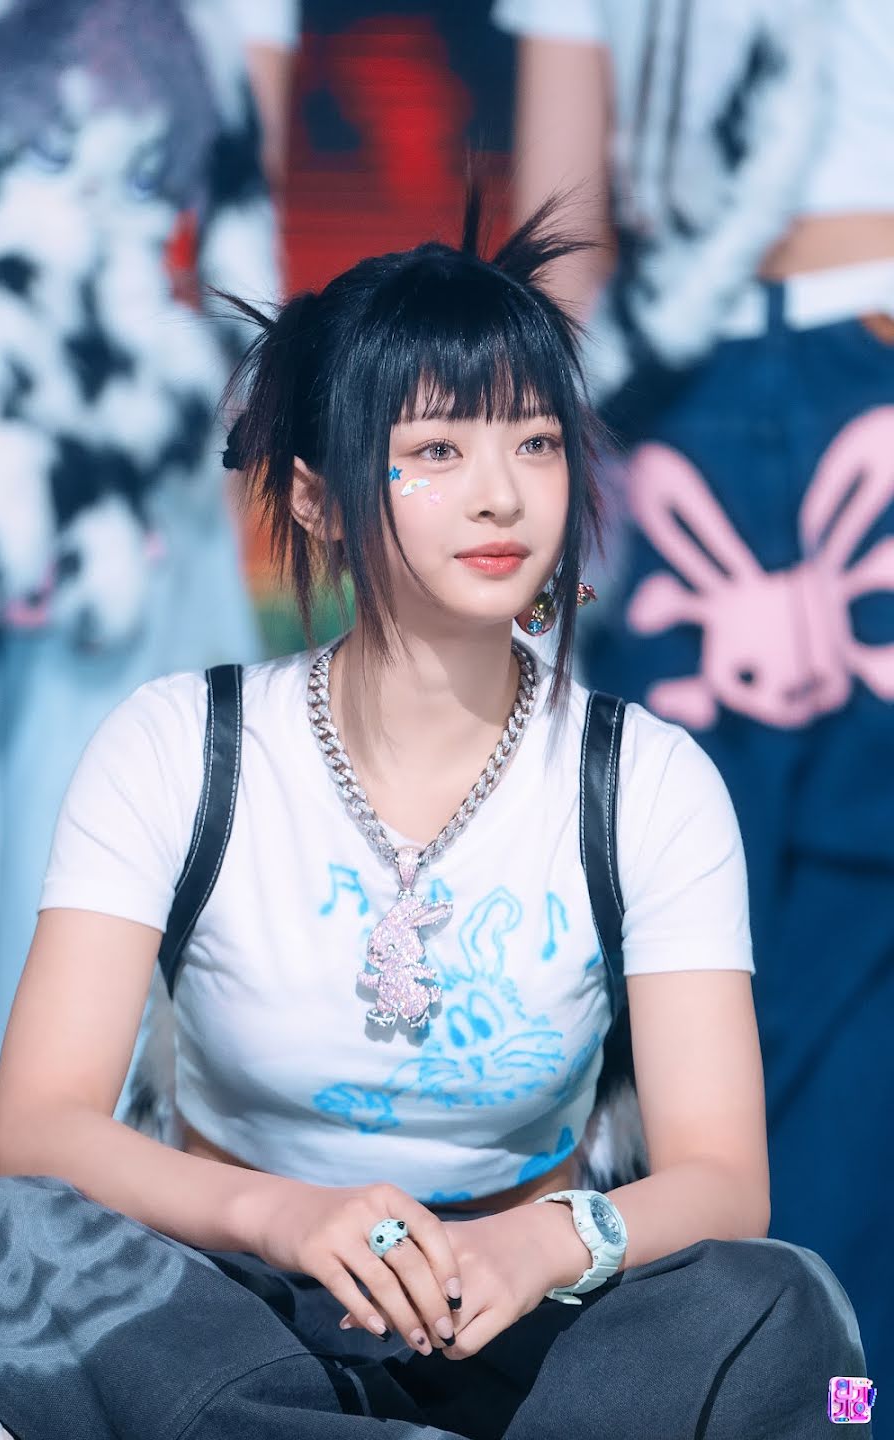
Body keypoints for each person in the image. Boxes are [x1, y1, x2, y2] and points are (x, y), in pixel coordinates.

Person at [0, 188, 870, 1440]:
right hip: (229, 1302)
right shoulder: (178, 745)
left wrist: (544, 1243)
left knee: (789, 1309)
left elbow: (723, 1179)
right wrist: (287, 1218)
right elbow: (36, 1128)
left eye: (535, 443)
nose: (501, 496)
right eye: (436, 451)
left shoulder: (647, 778)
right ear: (316, 498)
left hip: (522, 1316)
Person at [492, 0, 893, 1401]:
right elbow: (560, 232)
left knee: (825, 948)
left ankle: (830, 1396)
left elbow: (560, 219)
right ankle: (740, 1393)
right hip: (673, 394)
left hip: (811, 375)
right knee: (679, 943)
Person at [0, 0, 300, 1215]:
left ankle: (85, 1268)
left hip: (142, 503)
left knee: (124, 898)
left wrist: (175, 435)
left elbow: (245, 268)